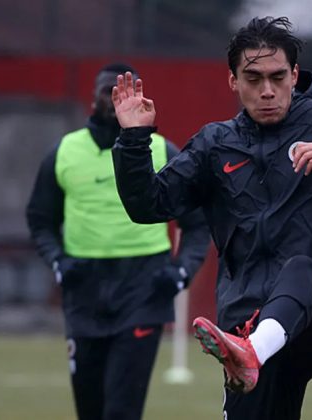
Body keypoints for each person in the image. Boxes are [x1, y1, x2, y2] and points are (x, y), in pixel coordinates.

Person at [110, 17, 312, 420]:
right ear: (233, 81)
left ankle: (253, 353)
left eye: (277, 77)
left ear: (294, 75)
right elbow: (148, 206)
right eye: (253, 79)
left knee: (303, 269)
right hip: (247, 324)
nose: (267, 90)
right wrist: (133, 139)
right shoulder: (214, 145)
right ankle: (252, 353)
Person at [26, 63, 210, 420]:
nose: (113, 96)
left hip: (143, 287)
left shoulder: (162, 151)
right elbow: (40, 219)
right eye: (106, 89)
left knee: (122, 410)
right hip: (84, 289)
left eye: (123, 88)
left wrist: (181, 272)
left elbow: (197, 223)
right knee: (90, 409)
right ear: (93, 97)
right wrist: (58, 262)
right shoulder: (63, 152)